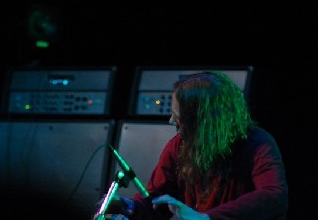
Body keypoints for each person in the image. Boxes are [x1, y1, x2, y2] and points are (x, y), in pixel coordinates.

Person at [102, 71, 288, 220]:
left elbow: (274, 196)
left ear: (205, 122)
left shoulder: (257, 143)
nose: (171, 121)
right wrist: (131, 206)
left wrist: (207, 217)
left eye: (180, 118)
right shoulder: (178, 146)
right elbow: (159, 201)